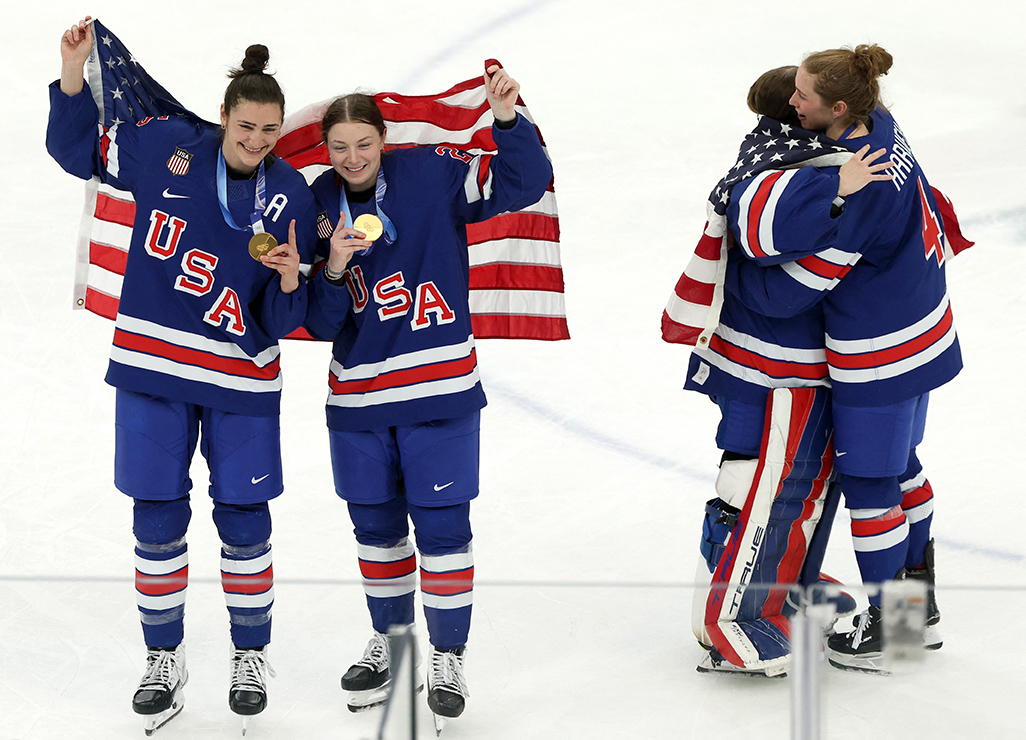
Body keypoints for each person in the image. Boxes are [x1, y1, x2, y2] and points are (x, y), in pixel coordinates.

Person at [47, 17, 318, 732]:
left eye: (270, 130)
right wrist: (72, 74)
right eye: (247, 125)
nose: (257, 140)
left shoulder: (293, 193)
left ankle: (249, 655)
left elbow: (289, 316)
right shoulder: (165, 145)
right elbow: (75, 151)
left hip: (241, 380)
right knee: (157, 517)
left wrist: (292, 280)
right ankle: (162, 658)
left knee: (245, 520)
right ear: (223, 114)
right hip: (153, 365)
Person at [303, 64, 553, 723]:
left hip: (438, 390)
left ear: (383, 140)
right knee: (376, 530)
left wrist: (506, 120)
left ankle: (447, 655)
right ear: (326, 149)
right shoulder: (316, 204)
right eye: (339, 147)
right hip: (357, 402)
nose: (352, 157)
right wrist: (334, 268)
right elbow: (320, 323)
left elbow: (525, 183)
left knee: (443, 529)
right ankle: (392, 643)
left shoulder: (431, 173)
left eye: (364, 143)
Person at [723, 45, 961, 673]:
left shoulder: (861, 187)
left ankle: (892, 629)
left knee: (872, 483)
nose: (792, 102)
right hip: (924, 328)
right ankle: (918, 612)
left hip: (880, 353)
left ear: (837, 108)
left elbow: (798, 288)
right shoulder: (879, 122)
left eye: (802, 95)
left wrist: (734, 281)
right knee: (903, 468)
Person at [667, 65, 891, 676]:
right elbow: (779, 286)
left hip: (805, 366)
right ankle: (733, 621)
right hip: (793, 370)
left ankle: (795, 589)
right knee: (762, 487)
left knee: (798, 487)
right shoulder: (801, 172)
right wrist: (838, 207)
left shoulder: (797, 156)